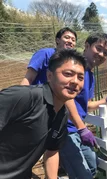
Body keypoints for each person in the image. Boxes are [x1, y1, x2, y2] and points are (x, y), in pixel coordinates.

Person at [0, 49, 86, 179]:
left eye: (80, 77)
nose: (75, 81)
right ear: (49, 76)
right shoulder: (24, 97)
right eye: (68, 74)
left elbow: (52, 151)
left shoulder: (62, 116)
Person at [59, 33, 107, 179]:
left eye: (105, 53)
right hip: (65, 130)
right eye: (98, 48)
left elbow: (87, 105)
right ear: (86, 45)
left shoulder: (90, 76)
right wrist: (81, 127)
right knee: (82, 175)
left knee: (92, 168)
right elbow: (65, 97)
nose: (102, 54)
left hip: (78, 130)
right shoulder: (73, 67)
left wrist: (106, 100)